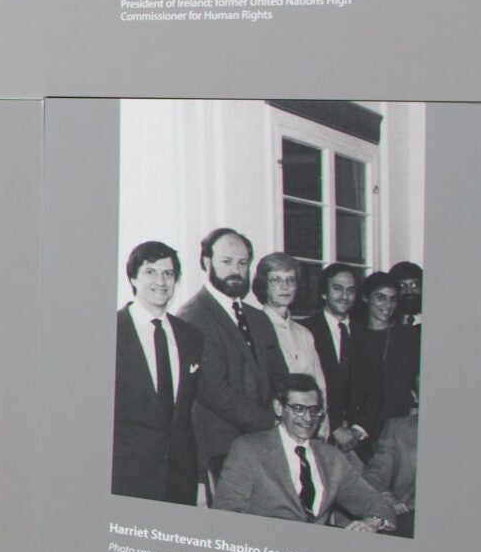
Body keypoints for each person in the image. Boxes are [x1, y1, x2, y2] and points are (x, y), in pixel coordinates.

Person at [212, 375, 405, 529]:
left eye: (314, 410)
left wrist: (373, 522)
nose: (308, 418)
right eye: (298, 409)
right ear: (279, 408)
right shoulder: (249, 449)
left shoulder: (331, 457)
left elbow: (374, 501)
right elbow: (227, 511)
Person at [176, 227, 272, 488]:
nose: (236, 270)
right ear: (207, 263)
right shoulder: (192, 318)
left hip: (264, 446)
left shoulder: (259, 318)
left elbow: (278, 376)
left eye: (242, 263)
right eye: (227, 262)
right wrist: (274, 425)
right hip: (221, 449)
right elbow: (216, 392)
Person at [112, 239, 200, 502]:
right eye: (151, 272)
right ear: (133, 278)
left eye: (168, 273)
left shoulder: (192, 336)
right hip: (126, 475)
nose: (161, 281)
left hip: (180, 476)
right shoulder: (109, 331)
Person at [342, 271, 422, 455]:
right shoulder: (353, 336)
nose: (388, 305)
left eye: (393, 299)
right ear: (365, 298)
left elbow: (418, 381)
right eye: (381, 298)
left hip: (400, 424)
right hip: (361, 431)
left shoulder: (409, 337)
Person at [244, 252, 326, 422]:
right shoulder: (253, 329)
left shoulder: (304, 334)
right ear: (264, 285)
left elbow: (319, 385)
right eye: (276, 280)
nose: (285, 287)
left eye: (290, 280)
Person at [309, 261, 361, 443]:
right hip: (319, 433)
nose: (345, 296)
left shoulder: (366, 335)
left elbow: (374, 390)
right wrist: (334, 427)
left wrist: (358, 430)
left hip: (359, 439)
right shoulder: (306, 331)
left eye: (351, 290)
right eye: (338, 289)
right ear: (324, 293)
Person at [364, 401, 419, 537]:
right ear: (415, 396)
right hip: (407, 514)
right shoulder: (398, 428)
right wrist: (389, 498)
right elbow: (374, 475)